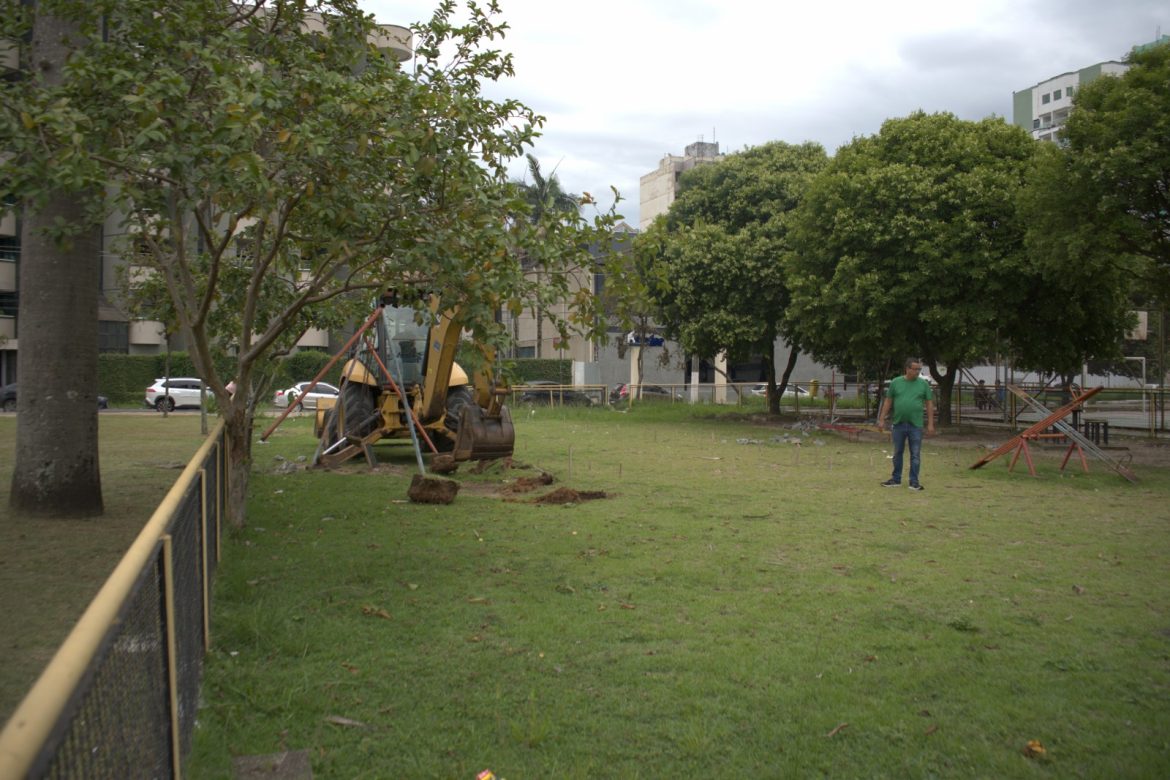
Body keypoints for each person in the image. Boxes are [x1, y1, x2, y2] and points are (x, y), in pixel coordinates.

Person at [877, 358, 935, 491]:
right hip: (898, 424)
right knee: (898, 452)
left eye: (919, 369)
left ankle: (914, 481)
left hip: (916, 425)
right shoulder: (896, 382)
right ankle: (896, 479)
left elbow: (929, 404)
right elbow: (888, 401)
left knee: (915, 454)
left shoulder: (923, 384)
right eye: (915, 369)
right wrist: (881, 419)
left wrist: (930, 423)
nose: (917, 372)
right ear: (907, 369)